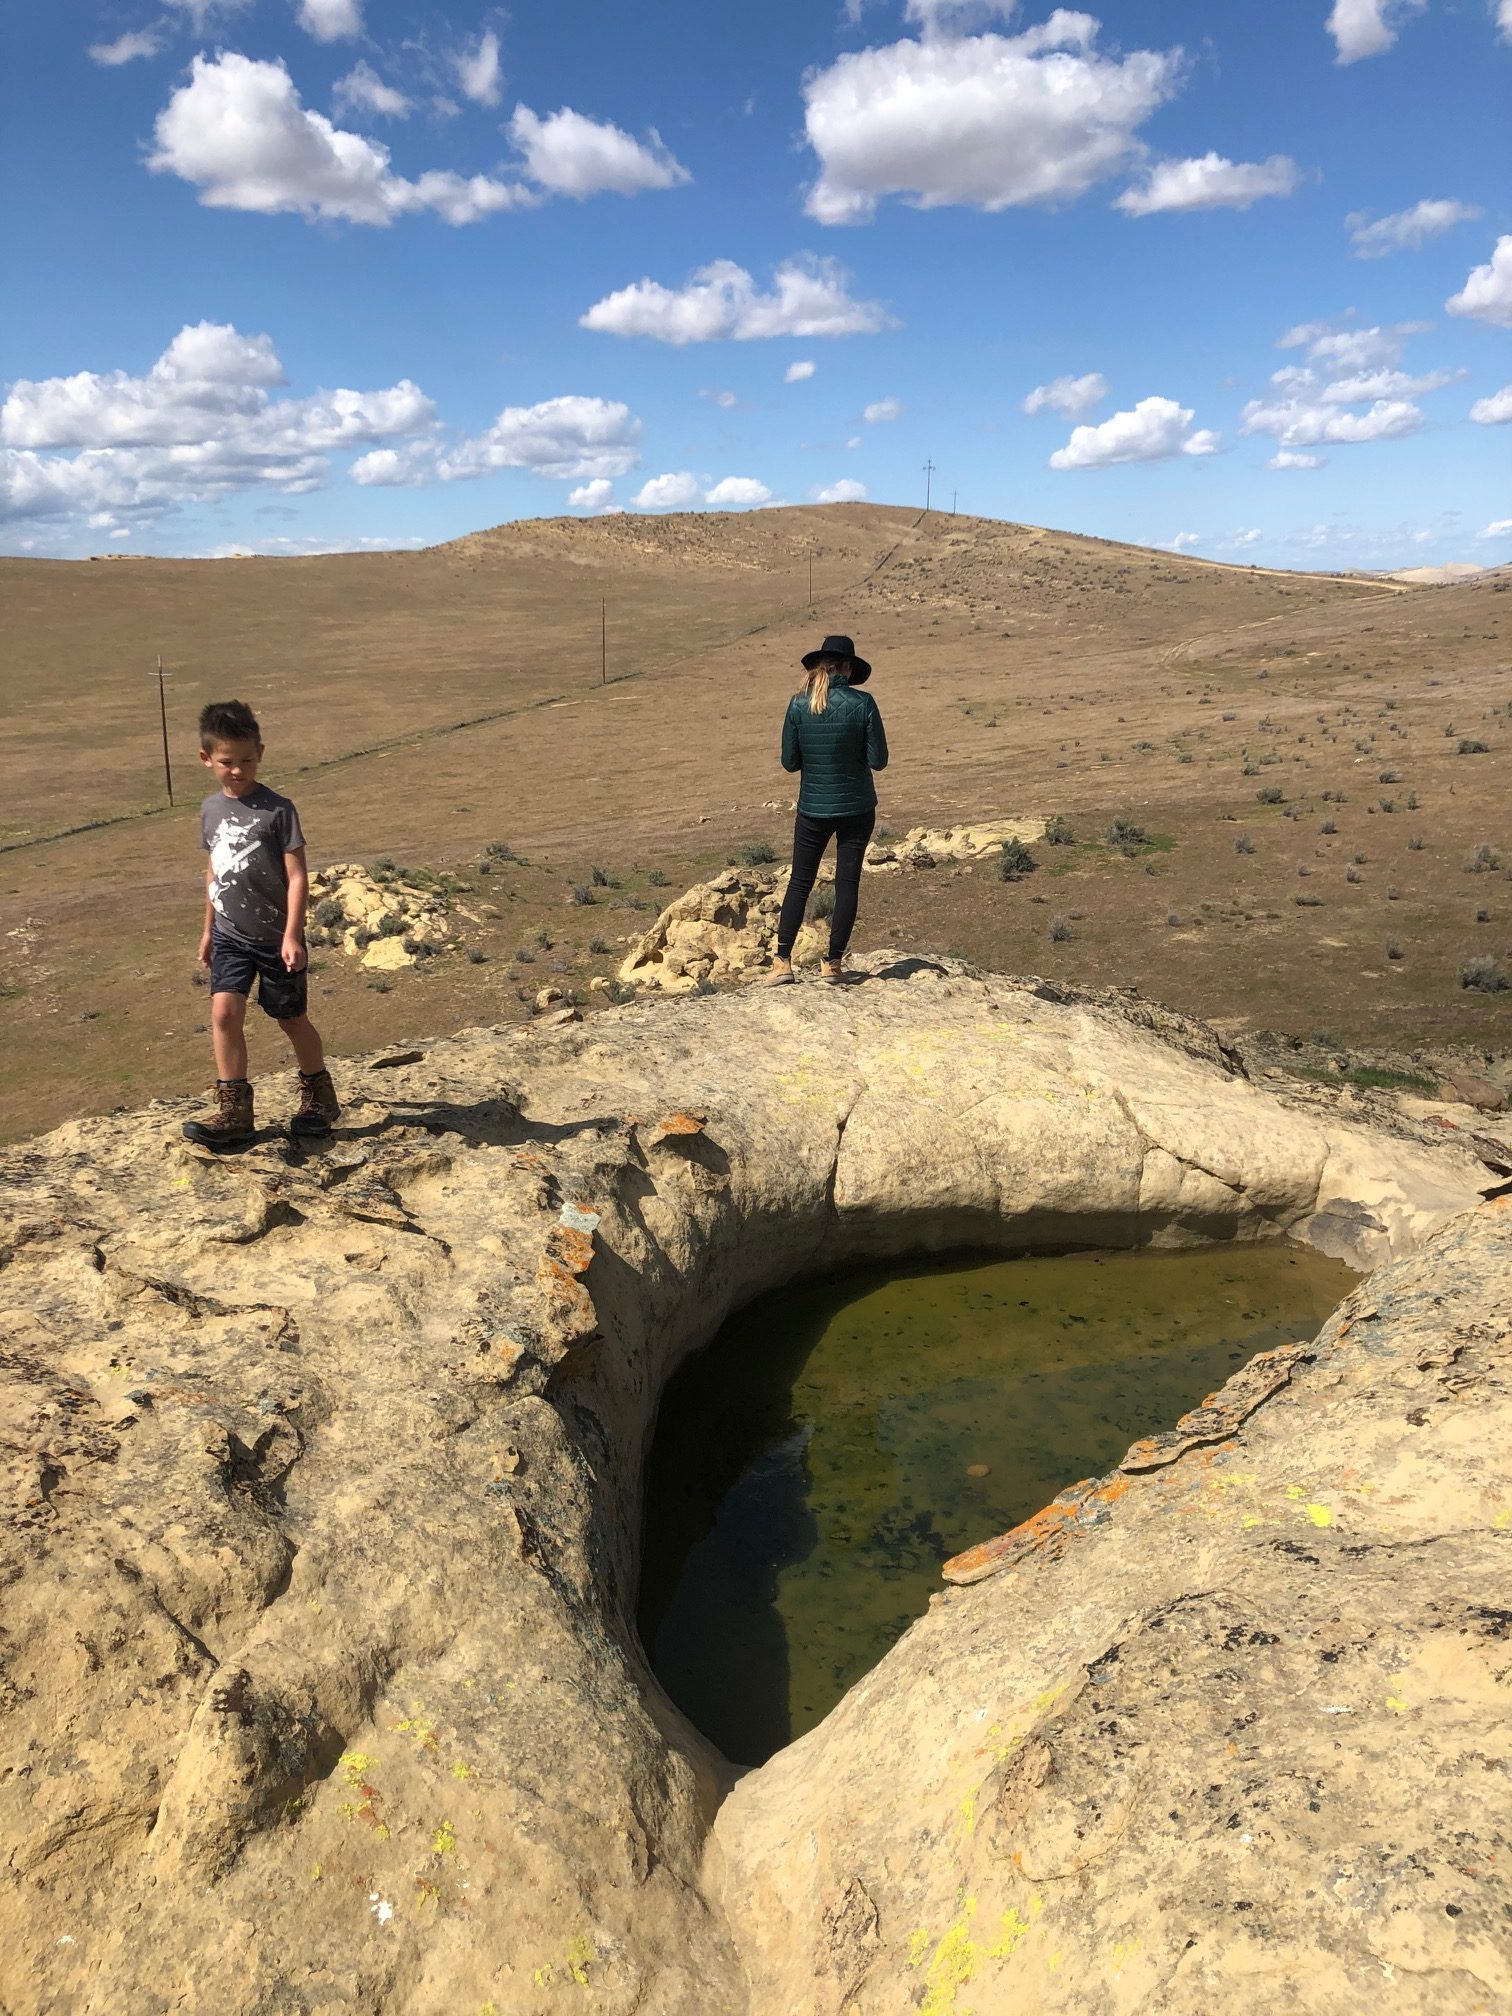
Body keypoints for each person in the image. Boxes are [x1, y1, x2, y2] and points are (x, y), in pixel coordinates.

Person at [182, 699, 340, 1147]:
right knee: (224, 1012)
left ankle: (319, 1098)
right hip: (230, 935)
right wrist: (208, 929)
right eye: (227, 762)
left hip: (275, 938)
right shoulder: (211, 810)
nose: (238, 770)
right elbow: (216, 871)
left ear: (261, 753)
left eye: (247, 760)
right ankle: (234, 1112)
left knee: (291, 1019)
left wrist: (292, 935)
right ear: (206, 759)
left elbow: (296, 875)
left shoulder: (278, 810)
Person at [768, 634, 889, 985]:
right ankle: (832, 964)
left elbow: (789, 763)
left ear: (821, 665)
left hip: (813, 809)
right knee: (847, 883)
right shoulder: (864, 703)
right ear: (849, 668)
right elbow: (878, 760)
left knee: (799, 883)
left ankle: (782, 963)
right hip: (857, 807)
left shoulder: (798, 705)